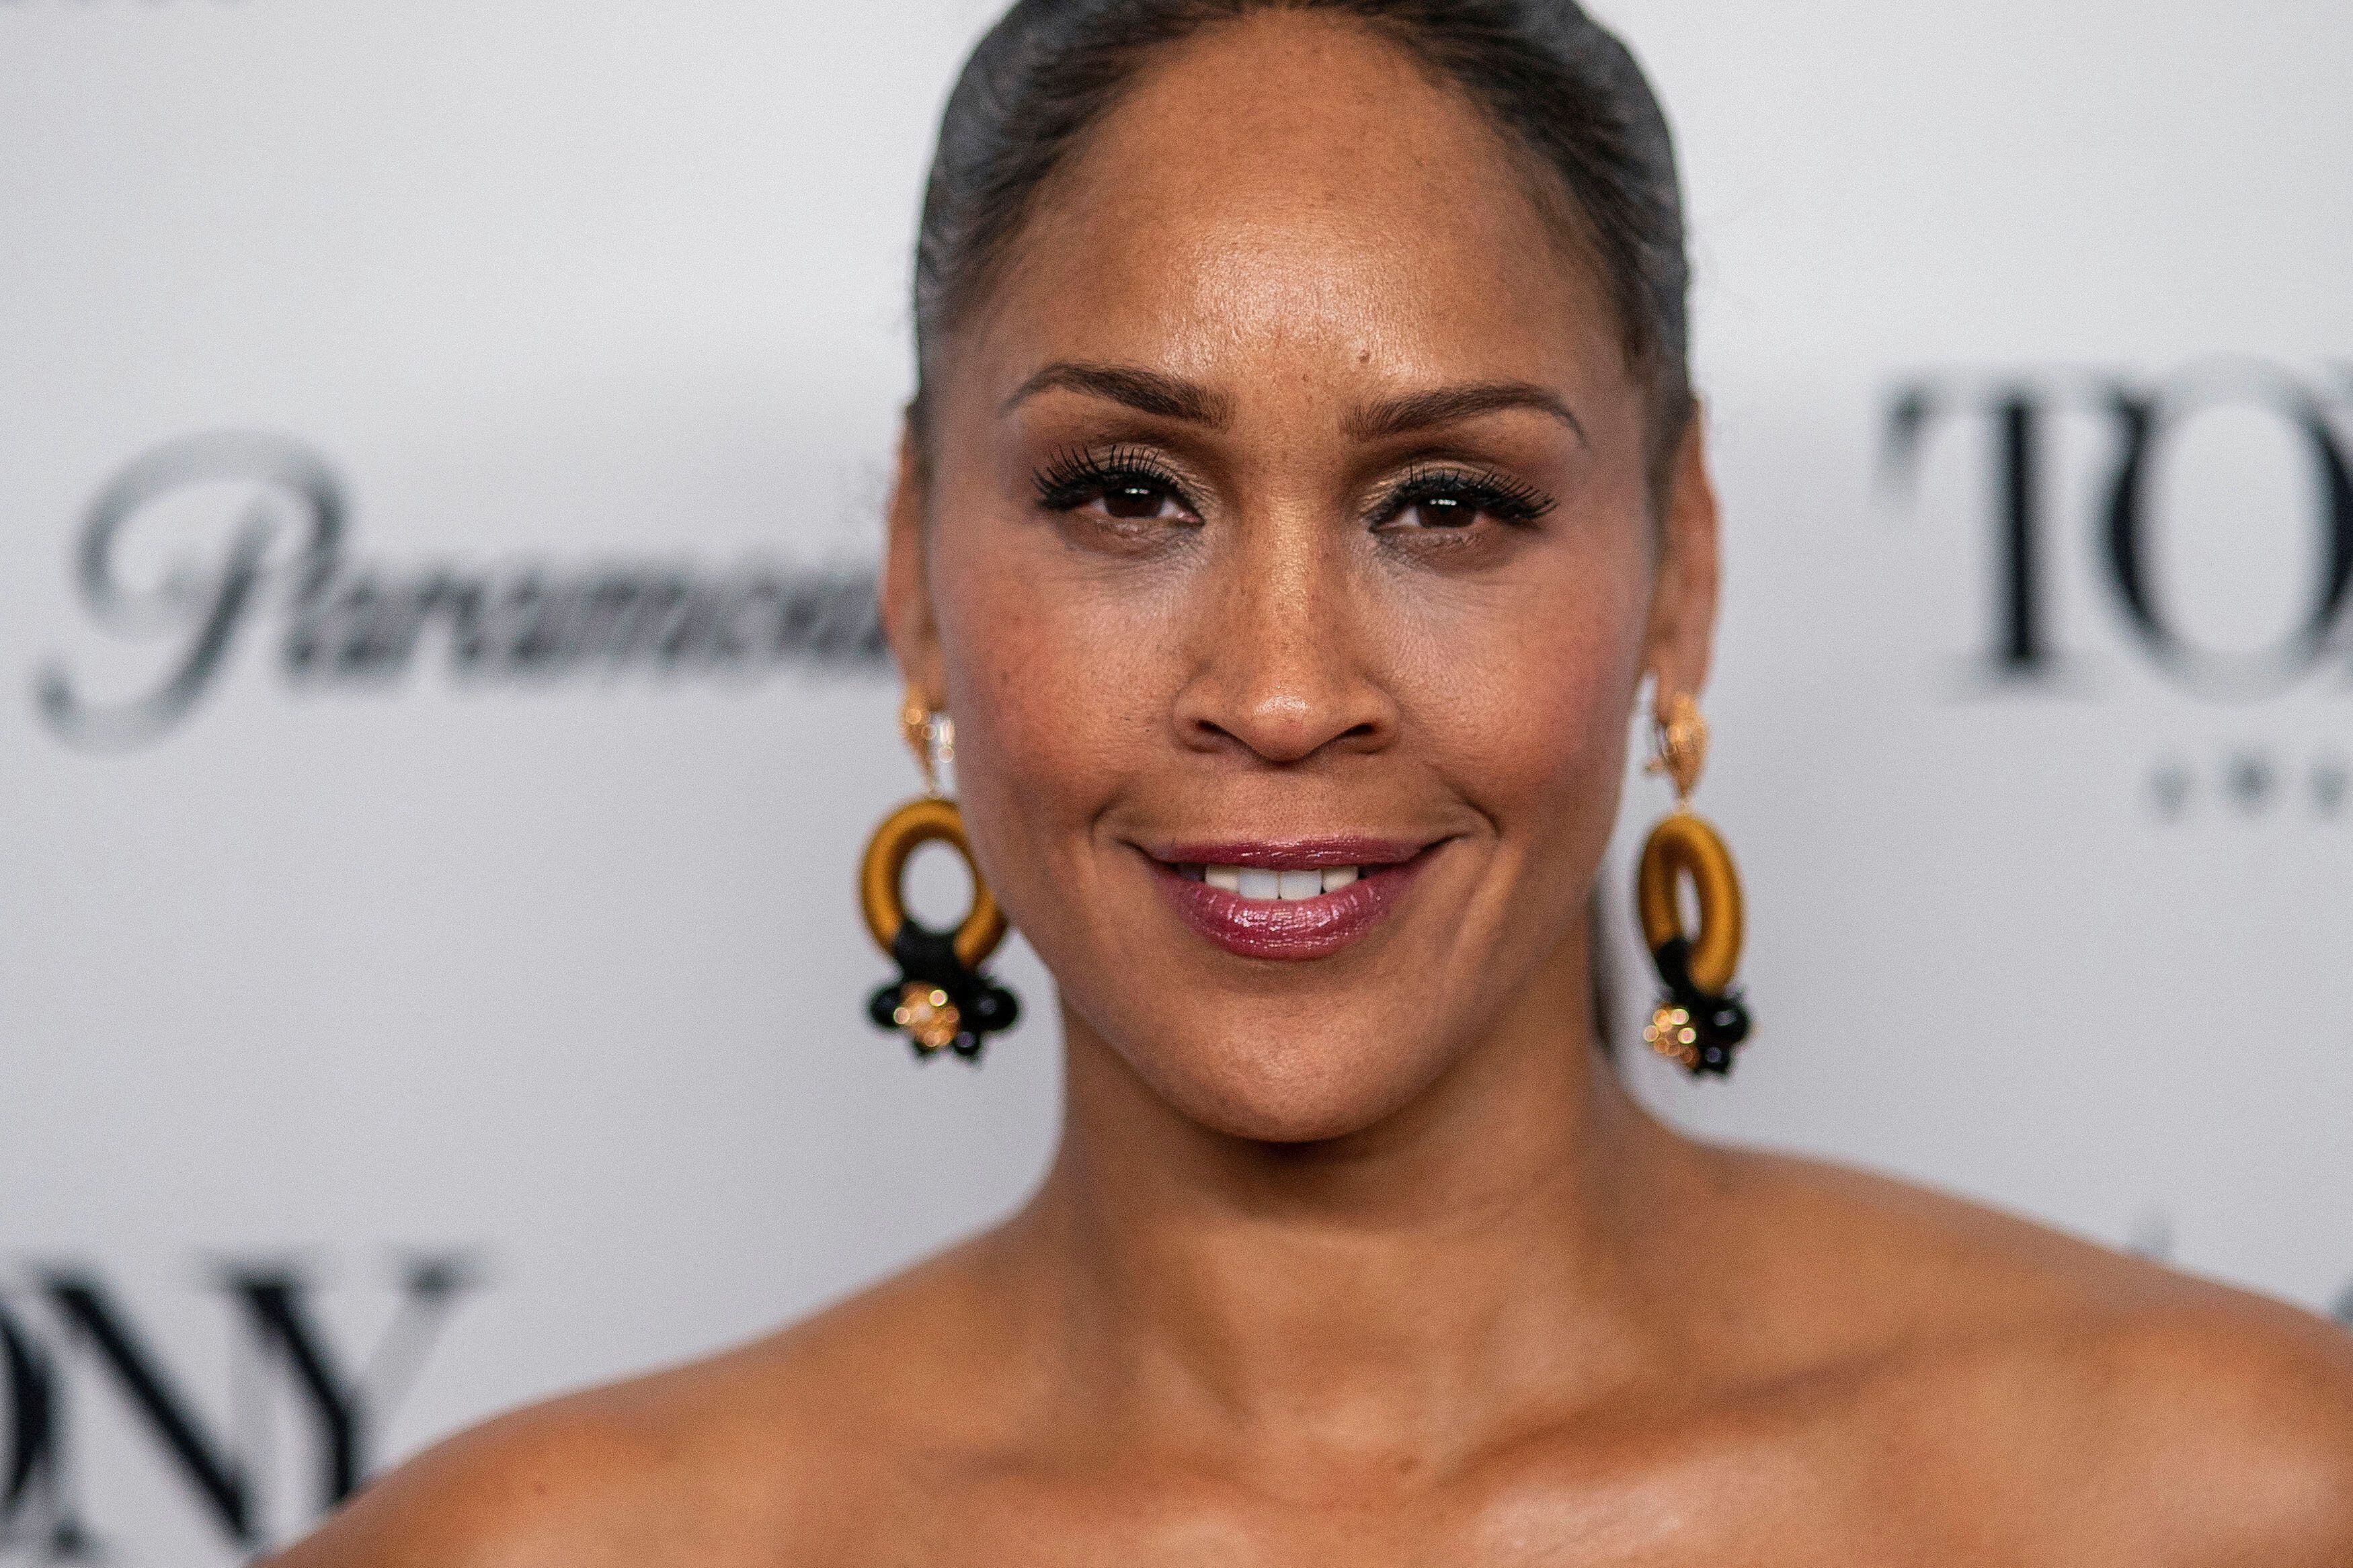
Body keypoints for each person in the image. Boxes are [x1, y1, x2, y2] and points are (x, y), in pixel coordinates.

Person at [276, 2, 2353, 1562]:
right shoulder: (524, 1556)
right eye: (1123, 494)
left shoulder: (2237, 1498)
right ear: (912, 571)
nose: (1281, 694)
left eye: (1448, 503)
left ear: (1679, 568)